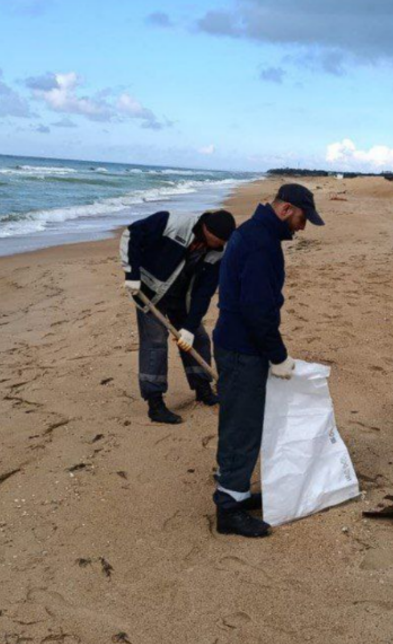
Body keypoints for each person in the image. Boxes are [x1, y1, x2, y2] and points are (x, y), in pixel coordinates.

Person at [211, 183, 324, 538]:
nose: (302, 227)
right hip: (242, 347)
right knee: (242, 425)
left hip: (238, 342)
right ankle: (228, 508)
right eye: (302, 219)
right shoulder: (261, 242)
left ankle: (236, 491)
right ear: (286, 209)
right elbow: (257, 307)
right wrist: (278, 355)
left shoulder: (255, 232)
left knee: (243, 421)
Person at [120, 208, 236, 424]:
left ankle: (202, 388)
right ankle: (155, 404)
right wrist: (131, 274)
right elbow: (132, 234)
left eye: (223, 241)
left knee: (199, 338)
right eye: (216, 239)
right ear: (205, 228)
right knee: (155, 342)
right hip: (148, 292)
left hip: (182, 298)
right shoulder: (172, 222)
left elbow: (204, 292)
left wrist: (190, 327)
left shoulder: (219, 251)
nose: (219, 244)